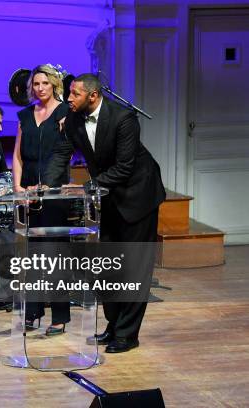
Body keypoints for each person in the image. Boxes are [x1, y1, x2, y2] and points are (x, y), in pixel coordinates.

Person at [47, 73, 166, 353]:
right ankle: (114, 326)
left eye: (74, 94)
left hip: (138, 196)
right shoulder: (74, 118)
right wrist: (46, 185)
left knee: (135, 267)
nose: (68, 99)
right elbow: (61, 154)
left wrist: (89, 187)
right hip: (108, 196)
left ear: (93, 95)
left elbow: (125, 167)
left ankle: (127, 334)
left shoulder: (123, 118)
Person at [12, 64, 71, 336]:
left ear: (55, 84)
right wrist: (18, 190)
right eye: (36, 84)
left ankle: (59, 317)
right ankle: (33, 313)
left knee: (55, 255)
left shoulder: (65, 113)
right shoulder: (25, 115)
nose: (40, 88)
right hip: (28, 193)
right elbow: (17, 157)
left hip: (54, 192)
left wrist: (47, 185)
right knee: (31, 256)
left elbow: (65, 154)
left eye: (45, 83)